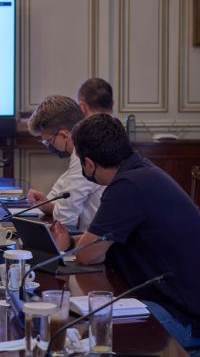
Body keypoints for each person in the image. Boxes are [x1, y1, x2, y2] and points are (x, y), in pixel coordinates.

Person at [51, 114, 200, 352]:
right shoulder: (141, 171)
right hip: (175, 302)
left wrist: (76, 246)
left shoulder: (127, 186)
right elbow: (98, 243)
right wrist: (69, 241)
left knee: (89, 336)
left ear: (88, 163)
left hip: (183, 317)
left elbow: (89, 255)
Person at [26, 95, 104, 230]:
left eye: (48, 142)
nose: (49, 147)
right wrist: (46, 205)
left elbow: (65, 219)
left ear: (64, 135)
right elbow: (62, 203)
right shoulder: (87, 148)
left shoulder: (83, 157)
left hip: (94, 240)